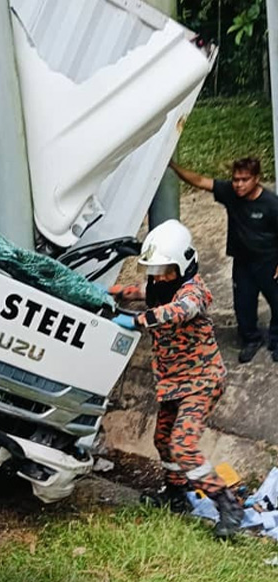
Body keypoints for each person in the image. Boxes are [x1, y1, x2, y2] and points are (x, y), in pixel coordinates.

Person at [108, 219, 242, 538]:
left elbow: (180, 310)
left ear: (182, 263)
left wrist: (136, 320)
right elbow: (137, 291)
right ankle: (175, 495)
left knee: (183, 444)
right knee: (163, 439)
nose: (161, 276)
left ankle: (228, 505)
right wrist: (105, 292)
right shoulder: (159, 285)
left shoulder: (192, 291)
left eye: (167, 269)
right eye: (157, 270)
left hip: (202, 381)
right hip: (172, 383)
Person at [171, 157, 278, 362]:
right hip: (242, 262)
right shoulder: (230, 193)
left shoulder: (271, 204)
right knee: (243, 304)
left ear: (256, 179)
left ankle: (276, 340)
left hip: (268, 262)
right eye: (236, 179)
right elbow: (200, 181)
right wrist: (172, 166)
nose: (238, 184)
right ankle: (251, 340)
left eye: (244, 180)